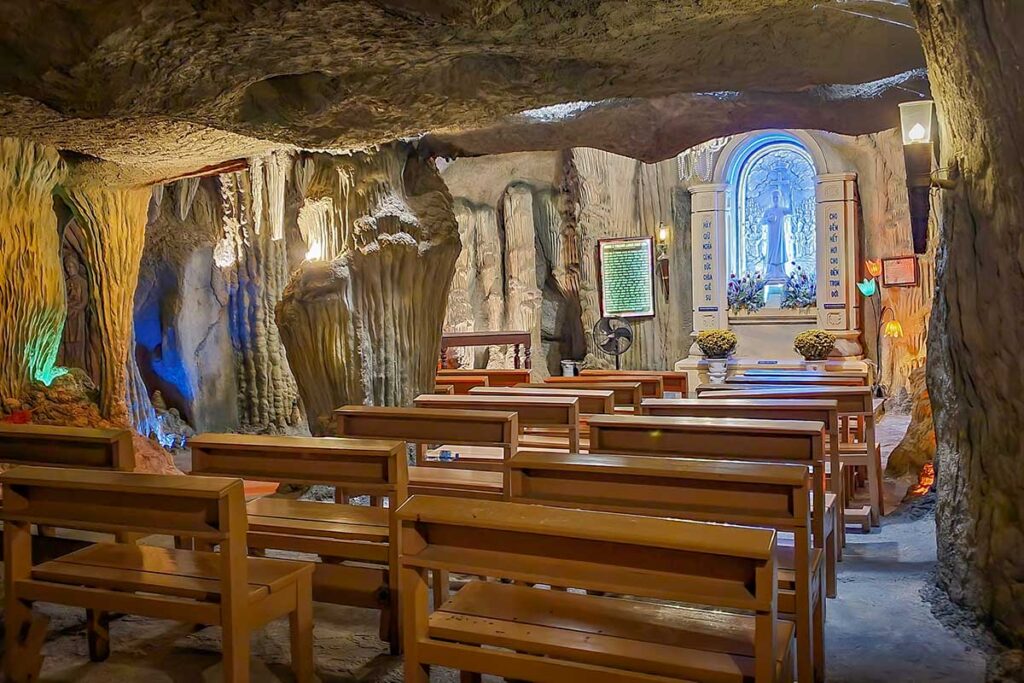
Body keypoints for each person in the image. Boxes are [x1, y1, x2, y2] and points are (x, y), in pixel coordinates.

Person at [761, 189, 792, 283]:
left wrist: (790, 198)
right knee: (771, 252)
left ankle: (780, 271)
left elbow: (791, 211)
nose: (775, 199)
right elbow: (762, 222)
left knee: (780, 251)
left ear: (780, 199)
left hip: (780, 235)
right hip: (771, 236)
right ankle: (771, 271)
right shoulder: (768, 210)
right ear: (772, 199)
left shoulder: (782, 210)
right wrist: (768, 219)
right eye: (774, 198)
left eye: (777, 198)